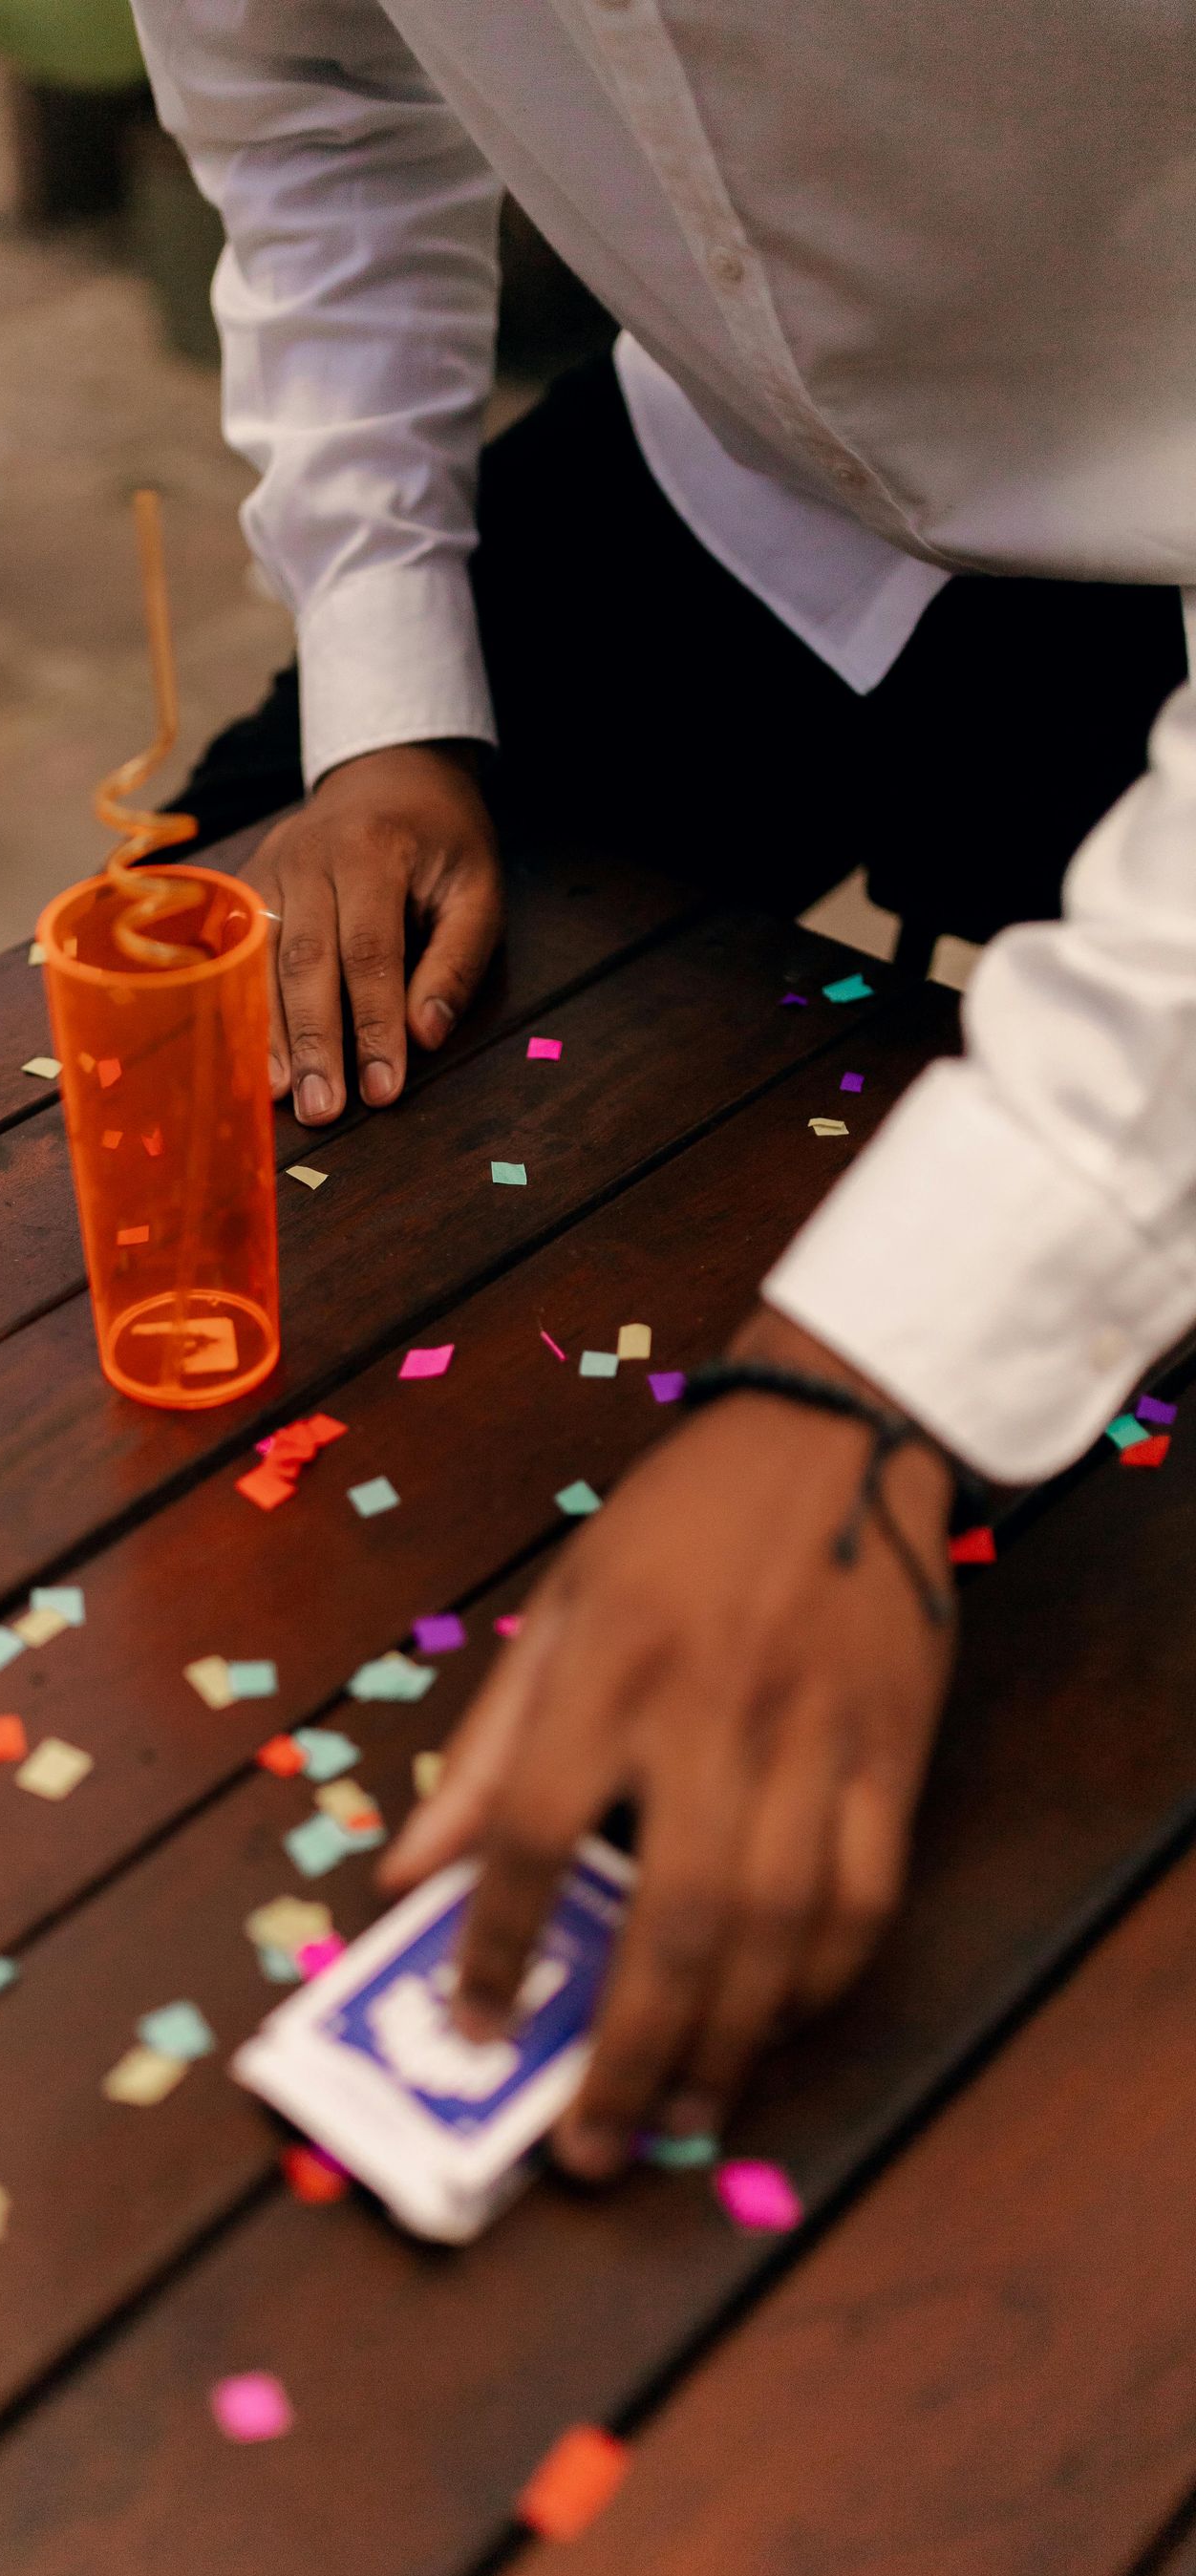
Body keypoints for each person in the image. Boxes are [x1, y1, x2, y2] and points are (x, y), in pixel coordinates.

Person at [134, 0, 1196, 2176]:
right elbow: (316, 92)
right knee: (214, 952)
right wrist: (386, 691)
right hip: (738, 472)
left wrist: (866, 1379)